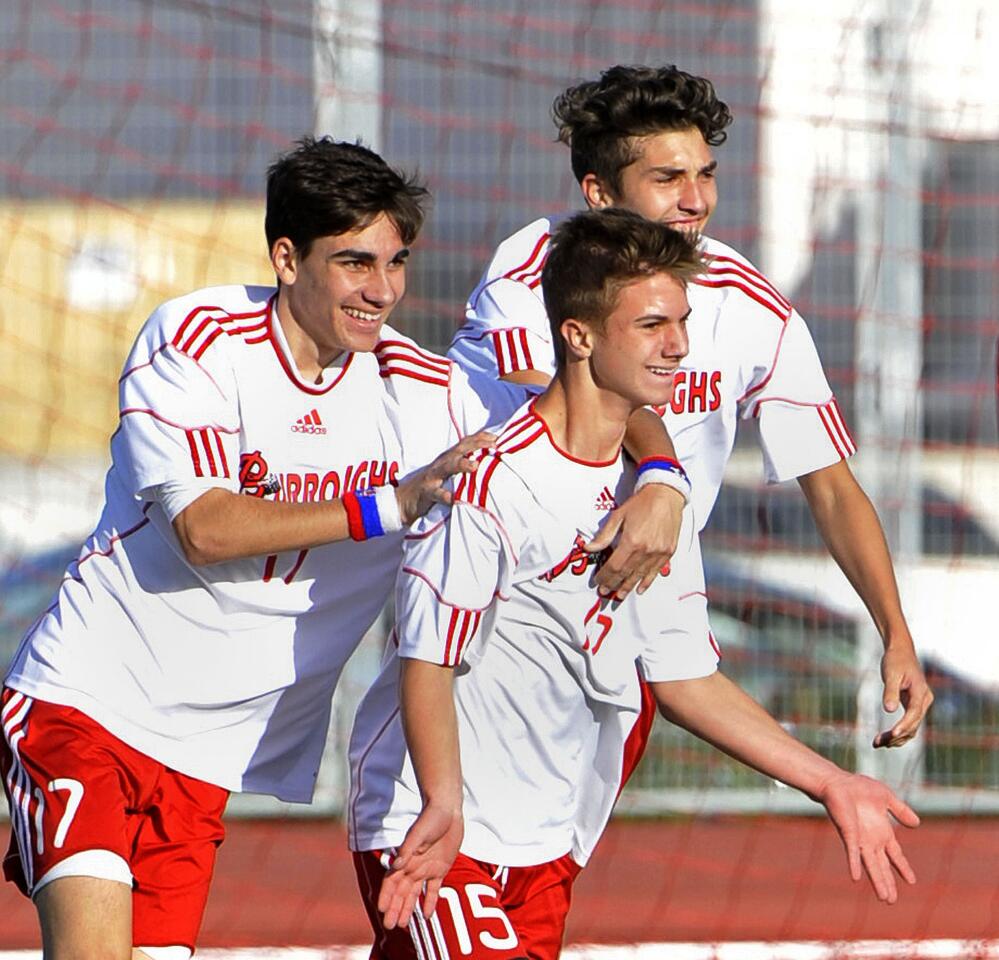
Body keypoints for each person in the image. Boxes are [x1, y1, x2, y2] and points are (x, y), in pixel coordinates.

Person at [0, 136, 528, 960]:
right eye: (354, 263)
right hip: (86, 705)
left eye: (396, 263)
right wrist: (387, 502)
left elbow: (575, 402)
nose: (381, 290)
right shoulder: (200, 337)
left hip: (206, 758)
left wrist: (665, 476)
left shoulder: (429, 393)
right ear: (287, 257)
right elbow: (204, 529)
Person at [348, 210, 919, 960]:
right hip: (431, 822)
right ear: (578, 336)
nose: (678, 344)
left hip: (547, 836)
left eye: (681, 321)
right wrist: (444, 802)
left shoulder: (651, 504)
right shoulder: (491, 480)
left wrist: (830, 783)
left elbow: (684, 679)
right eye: (652, 324)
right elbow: (427, 659)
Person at [448, 64, 933, 748]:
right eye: (666, 179)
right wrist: (662, 477)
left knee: (558, 848)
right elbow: (571, 404)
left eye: (704, 174)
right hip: (514, 605)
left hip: (647, 597)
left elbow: (828, 485)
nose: (695, 199)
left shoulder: (752, 303)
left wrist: (895, 635)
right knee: (455, 836)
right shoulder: (534, 271)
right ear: (598, 191)